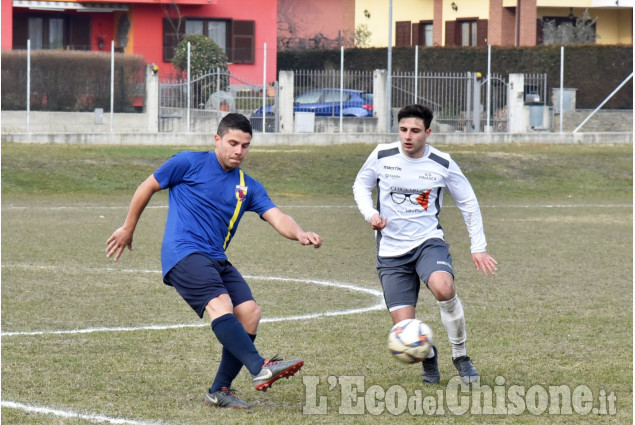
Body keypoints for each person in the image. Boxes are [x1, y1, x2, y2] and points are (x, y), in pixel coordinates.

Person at [106, 113, 322, 409]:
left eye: (245, 146)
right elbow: (147, 186)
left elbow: (276, 215)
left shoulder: (247, 185)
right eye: (233, 143)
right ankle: (260, 368)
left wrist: (299, 233)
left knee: (249, 313)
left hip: (216, 258)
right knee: (221, 304)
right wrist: (128, 228)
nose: (239, 151)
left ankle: (218, 390)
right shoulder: (188, 162)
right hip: (183, 253)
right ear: (217, 139)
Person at [352, 104, 497, 385]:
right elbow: (361, 184)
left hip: (427, 242)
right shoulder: (382, 155)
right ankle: (429, 356)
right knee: (405, 329)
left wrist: (478, 246)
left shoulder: (442, 163)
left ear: (427, 132)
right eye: (403, 130)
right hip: (391, 251)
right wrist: (370, 213)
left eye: (415, 131)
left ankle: (461, 356)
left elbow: (468, 201)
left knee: (444, 288)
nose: (408, 136)